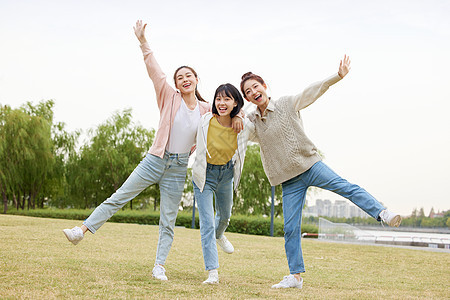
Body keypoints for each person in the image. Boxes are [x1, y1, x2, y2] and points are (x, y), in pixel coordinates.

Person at [62, 20, 242, 281]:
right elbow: (155, 71)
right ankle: (82, 230)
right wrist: (143, 42)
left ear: (196, 79)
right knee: (120, 196)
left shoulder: (206, 109)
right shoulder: (168, 96)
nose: (184, 79)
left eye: (188, 75)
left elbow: (229, 109)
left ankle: (159, 266)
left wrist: (239, 116)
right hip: (155, 160)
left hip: (178, 168)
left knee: (167, 219)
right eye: (179, 77)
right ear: (176, 84)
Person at [239, 55, 402, 289]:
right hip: (289, 180)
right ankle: (295, 277)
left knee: (346, 188)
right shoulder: (253, 120)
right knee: (290, 228)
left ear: (264, 87)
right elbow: (243, 131)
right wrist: (236, 115)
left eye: (256, 86)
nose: (253, 91)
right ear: (246, 98)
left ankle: (383, 213)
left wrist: (337, 76)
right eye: (248, 91)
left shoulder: (286, 103)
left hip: (311, 165)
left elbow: (313, 91)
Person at [192, 83, 254, 284]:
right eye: (218, 99)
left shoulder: (241, 125)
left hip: (226, 174)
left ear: (235, 102)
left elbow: (256, 116)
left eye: (227, 99)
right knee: (207, 224)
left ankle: (220, 235)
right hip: (205, 176)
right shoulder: (206, 120)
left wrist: (239, 116)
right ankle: (213, 272)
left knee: (225, 217)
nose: (221, 103)